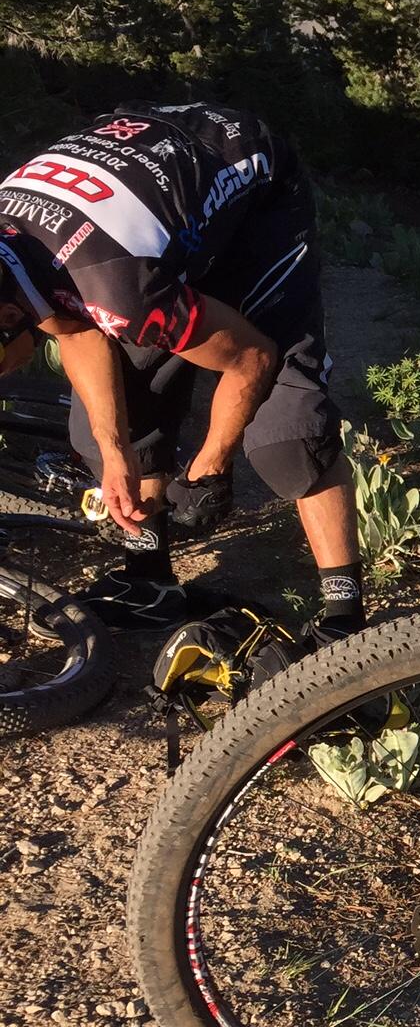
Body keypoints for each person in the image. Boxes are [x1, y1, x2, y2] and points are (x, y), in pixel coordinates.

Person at [0, 101, 364, 639]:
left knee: (287, 432)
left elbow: (252, 358)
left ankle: (345, 620)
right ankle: (150, 581)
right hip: (148, 202)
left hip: (250, 186)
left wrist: (210, 464)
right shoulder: (10, 260)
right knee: (114, 417)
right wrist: (114, 450)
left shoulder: (119, 288)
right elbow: (73, 328)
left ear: (8, 319)